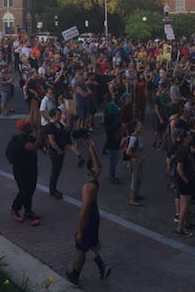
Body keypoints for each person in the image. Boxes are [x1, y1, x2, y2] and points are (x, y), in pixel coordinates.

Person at [65, 139, 111, 286]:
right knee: (92, 242)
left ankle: (75, 275)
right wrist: (91, 149)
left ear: (87, 171)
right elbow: (99, 166)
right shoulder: (96, 180)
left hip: (89, 218)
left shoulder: (88, 187)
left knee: (81, 247)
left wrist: (79, 230)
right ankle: (103, 265)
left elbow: (84, 211)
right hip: (95, 217)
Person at [9, 119, 46, 225]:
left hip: (31, 169)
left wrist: (40, 134)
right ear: (24, 128)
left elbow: (40, 145)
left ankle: (28, 211)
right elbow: (34, 148)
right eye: (28, 125)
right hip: (21, 171)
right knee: (24, 191)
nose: (31, 126)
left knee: (31, 190)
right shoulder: (20, 140)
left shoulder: (29, 138)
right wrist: (38, 135)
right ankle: (14, 208)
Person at [45, 108, 82, 199]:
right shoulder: (50, 126)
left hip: (60, 151)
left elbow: (66, 129)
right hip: (55, 152)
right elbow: (51, 141)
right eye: (58, 115)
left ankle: (53, 189)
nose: (60, 116)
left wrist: (69, 118)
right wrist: (58, 150)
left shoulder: (58, 124)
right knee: (55, 171)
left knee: (57, 171)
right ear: (53, 116)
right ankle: (52, 190)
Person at [125, 120, 146, 206]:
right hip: (135, 162)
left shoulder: (138, 136)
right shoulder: (134, 138)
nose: (141, 127)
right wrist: (138, 157)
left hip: (139, 161)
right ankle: (132, 198)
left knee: (138, 178)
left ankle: (136, 195)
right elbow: (128, 151)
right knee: (135, 179)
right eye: (140, 126)